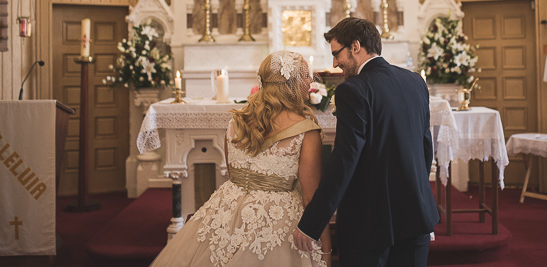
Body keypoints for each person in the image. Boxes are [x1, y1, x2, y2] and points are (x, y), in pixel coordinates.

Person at [151, 51, 332, 266]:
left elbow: (232, 173)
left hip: (227, 211)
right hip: (278, 220)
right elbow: (311, 199)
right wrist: (327, 251)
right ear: (290, 84)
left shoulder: (236, 122)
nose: (310, 81)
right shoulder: (307, 132)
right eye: (305, 76)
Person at [293, 17, 439, 266]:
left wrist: (311, 224)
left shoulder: (353, 90)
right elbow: (426, 148)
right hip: (416, 213)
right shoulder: (415, 82)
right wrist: (415, 192)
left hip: (370, 222)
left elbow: (344, 163)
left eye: (337, 53)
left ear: (356, 46)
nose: (335, 63)